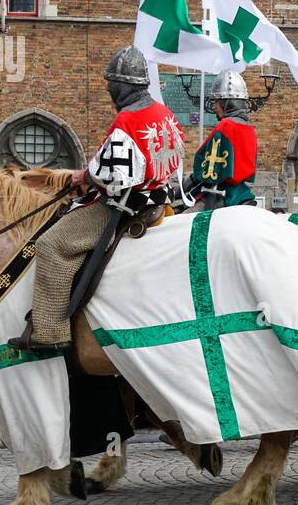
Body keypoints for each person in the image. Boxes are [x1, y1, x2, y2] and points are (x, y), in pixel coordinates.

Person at [10, 46, 186, 352]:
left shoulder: (127, 120)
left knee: (51, 244)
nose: (107, 88)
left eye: (111, 83)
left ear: (124, 86)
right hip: (157, 197)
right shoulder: (163, 112)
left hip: (125, 205)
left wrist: (85, 177)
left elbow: (115, 176)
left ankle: (50, 332)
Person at [190, 70, 258, 210]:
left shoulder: (225, 126)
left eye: (216, 102)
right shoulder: (249, 129)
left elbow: (207, 170)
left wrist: (188, 182)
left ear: (227, 103)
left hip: (221, 195)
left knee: (182, 219)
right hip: (243, 192)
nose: (214, 106)